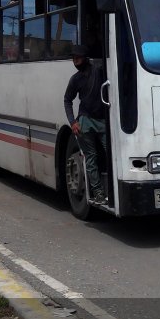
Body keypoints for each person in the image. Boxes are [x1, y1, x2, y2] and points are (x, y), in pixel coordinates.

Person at [63, 45, 108, 204]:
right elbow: (67, 100)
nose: (75, 61)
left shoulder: (99, 70)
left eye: (78, 58)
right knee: (91, 158)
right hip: (85, 121)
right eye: (73, 59)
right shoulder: (75, 79)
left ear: (85, 58)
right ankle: (98, 193)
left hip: (102, 120)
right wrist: (73, 122)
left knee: (109, 153)